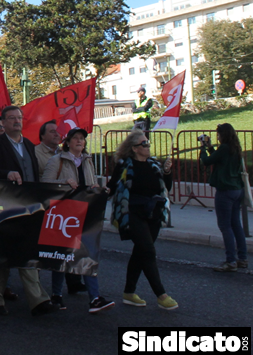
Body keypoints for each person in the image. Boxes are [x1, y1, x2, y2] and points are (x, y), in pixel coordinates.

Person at [0, 106, 55, 317]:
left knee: (26, 251)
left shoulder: (29, 144)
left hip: (29, 207)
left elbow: (35, 175)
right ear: (3, 123)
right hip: (5, 208)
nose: (16, 121)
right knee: (3, 254)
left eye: (19, 118)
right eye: (11, 118)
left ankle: (38, 300)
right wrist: (6, 174)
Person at [42, 129, 115, 313]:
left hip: (85, 213)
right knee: (61, 254)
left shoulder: (87, 160)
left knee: (87, 252)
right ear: (67, 142)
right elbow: (45, 184)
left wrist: (96, 189)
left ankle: (95, 298)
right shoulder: (57, 160)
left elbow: (90, 183)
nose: (79, 141)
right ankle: (57, 294)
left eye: (82, 138)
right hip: (64, 214)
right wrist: (64, 182)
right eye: (75, 138)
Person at [109, 130, 178, 310]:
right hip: (132, 213)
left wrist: (167, 172)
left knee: (140, 252)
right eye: (144, 144)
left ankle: (129, 292)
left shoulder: (154, 164)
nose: (148, 146)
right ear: (134, 148)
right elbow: (112, 187)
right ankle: (161, 294)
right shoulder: (125, 165)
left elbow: (165, 187)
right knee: (148, 251)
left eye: (147, 143)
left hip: (153, 213)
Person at [35, 120, 86, 297]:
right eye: (52, 132)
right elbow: (44, 181)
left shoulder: (80, 159)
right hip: (53, 208)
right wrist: (63, 183)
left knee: (76, 249)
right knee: (55, 252)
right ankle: (48, 292)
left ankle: (76, 284)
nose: (57, 134)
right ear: (42, 135)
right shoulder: (38, 153)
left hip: (75, 208)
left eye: (58, 132)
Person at [200, 124, 248, 272]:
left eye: (219, 135)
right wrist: (210, 148)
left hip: (225, 191)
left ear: (224, 135)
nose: (218, 137)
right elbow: (218, 158)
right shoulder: (235, 148)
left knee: (225, 226)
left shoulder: (224, 148)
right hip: (237, 189)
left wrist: (202, 148)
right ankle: (242, 258)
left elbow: (207, 161)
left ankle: (230, 261)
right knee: (236, 224)